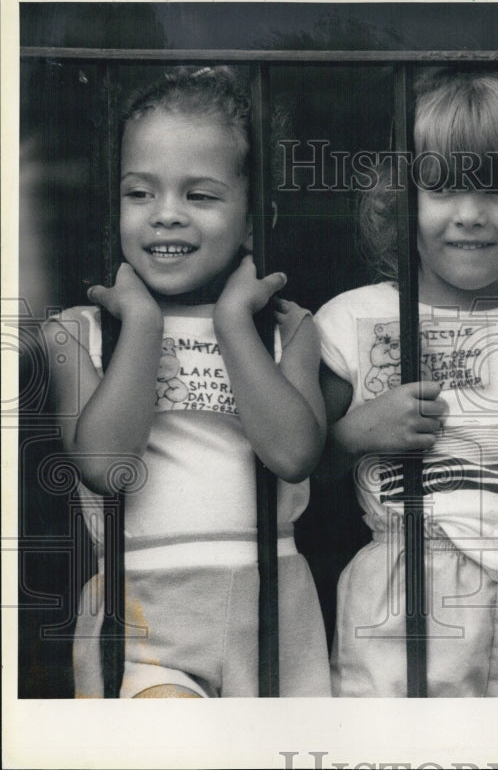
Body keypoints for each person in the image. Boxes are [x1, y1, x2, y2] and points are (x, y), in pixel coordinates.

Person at [315, 67, 498, 697]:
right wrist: (357, 432)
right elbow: (300, 469)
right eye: (442, 189)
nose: (470, 216)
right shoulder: (353, 319)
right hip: (405, 588)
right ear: (402, 197)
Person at [44, 67, 331, 698]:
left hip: (273, 601)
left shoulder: (288, 330)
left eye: (199, 197)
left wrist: (233, 323)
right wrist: (142, 325)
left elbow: (292, 454)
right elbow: (106, 465)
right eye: (139, 193)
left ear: (256, 220)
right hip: (145, 609)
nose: (166, 216)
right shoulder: (79, 333)